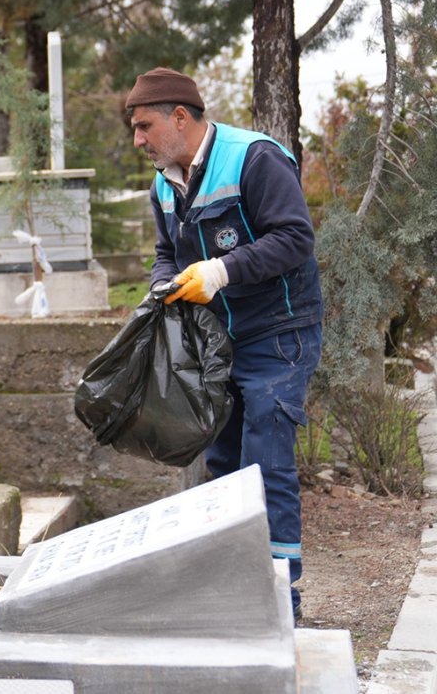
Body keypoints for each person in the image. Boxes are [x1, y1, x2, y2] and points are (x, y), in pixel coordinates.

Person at [126, 67, 323, 620]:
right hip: (218, 342)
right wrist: (163, 283)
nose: (138, 140)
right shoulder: (166, 182)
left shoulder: (254, 159)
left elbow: (295, 238)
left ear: (180, 117)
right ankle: (237, 588)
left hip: (279, 332)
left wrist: (221, 272)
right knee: (224, 462)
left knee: (265, 457)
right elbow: (168, 250)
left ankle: (281, 598)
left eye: (144, 126)